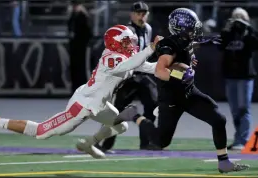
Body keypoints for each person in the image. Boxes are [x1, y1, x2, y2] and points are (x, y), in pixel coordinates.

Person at [0, 24, 160, 159]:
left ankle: (88, 144)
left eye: (130, 41)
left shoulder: (126, 57)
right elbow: (133, 63)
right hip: (82, 105)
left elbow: (149, 67)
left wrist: (175, 68)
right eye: (126, 42)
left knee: (121, 126)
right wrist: (151, 48)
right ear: (114, 43)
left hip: (99, 104)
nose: (130, 45)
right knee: (41, 132)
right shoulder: (112, 59)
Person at [123, 8, 250, 173]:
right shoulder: (169, 45)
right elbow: (160, 71)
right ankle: (133, 115)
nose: (195, 29)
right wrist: (179, 74)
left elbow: (194, 47)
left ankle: (224, 162)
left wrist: (194, 58)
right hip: (171, 98)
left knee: (219, 119)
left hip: (188, 93)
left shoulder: (186, 40)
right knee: (161, 141)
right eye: (191, 26)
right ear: (180, 28)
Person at [95, 1, 159, 152]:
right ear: (132, 14)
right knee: (116, 112)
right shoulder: (127, 32)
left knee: (152, 104)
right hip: (127, 76)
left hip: (142, 75)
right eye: (138, 13)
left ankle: (146, 142)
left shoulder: (148, 29)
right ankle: (102, 143)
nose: (141, 16)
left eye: (144, 14)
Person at [220, 7, 258, 150]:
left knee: (243, 109)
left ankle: (244, 139)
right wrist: (226, 29)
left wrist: (249, 28)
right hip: (231, 76)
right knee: (235, 110)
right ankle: (238, 138)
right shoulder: (229, 33)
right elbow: (221, 45)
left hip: (245, 76)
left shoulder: (248, 33)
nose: (237, 20)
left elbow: (255, 44)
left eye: (240, 17)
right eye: (234, 16)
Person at [68, 0, 93, 92]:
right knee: (74, 68)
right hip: (74, 46)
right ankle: (74, 88)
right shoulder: (73, 16)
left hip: (81, 47)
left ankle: (81, 88)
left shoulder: (83, 16)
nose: (75, 7)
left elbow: (88, 33)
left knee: (81, 69)